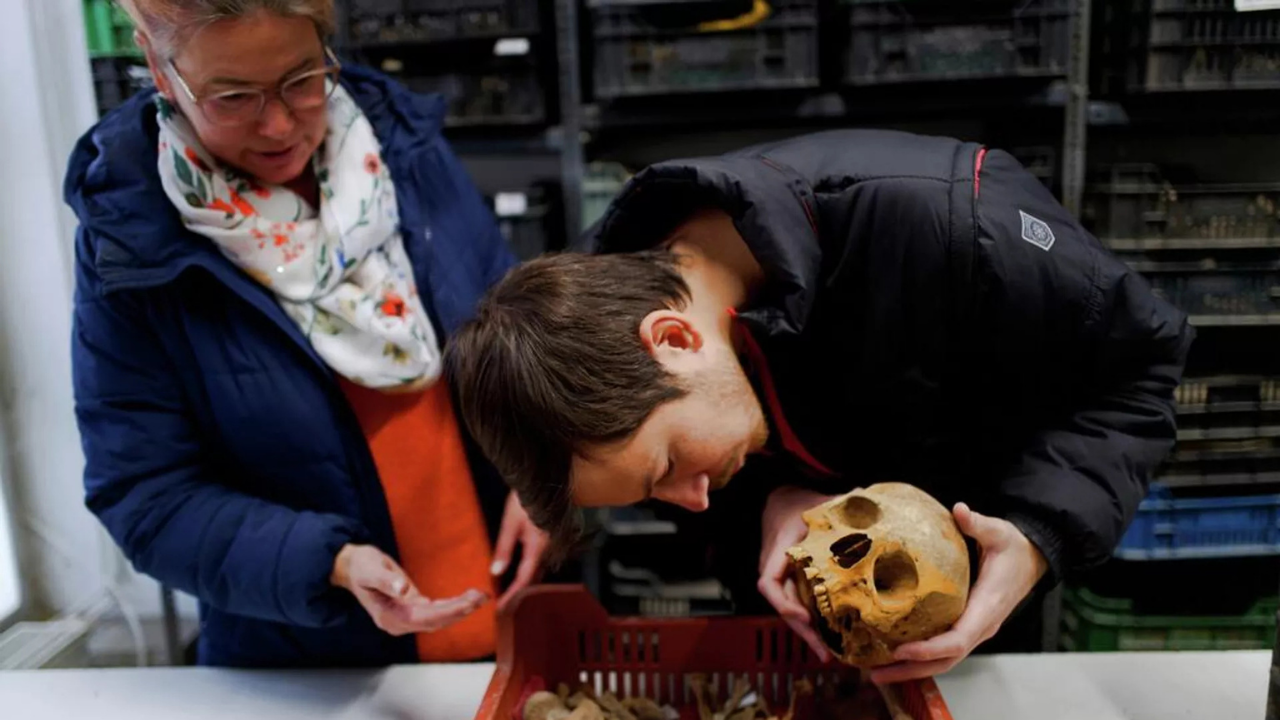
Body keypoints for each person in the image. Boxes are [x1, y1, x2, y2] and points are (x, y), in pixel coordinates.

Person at [445, 129, 1194, 681]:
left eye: (668, 467)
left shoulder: (952, 224)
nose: (691, 501)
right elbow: (708, 494)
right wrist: (767, 504)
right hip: (816, 632)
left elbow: (1141, 369)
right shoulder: (594, 321)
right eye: (656, 489)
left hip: (972, 610)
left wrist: (1037, 537)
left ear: (673, 337)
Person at [66, 0, 548, 668]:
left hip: (502, 612)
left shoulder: (399, 143)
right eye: (233, 97)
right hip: (313, 663)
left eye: (301, 79)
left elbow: (514, 326)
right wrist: (329, 561)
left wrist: (544, 466)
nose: (279, 124)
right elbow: (145, 495)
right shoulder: (131, 235)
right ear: (158, 65)